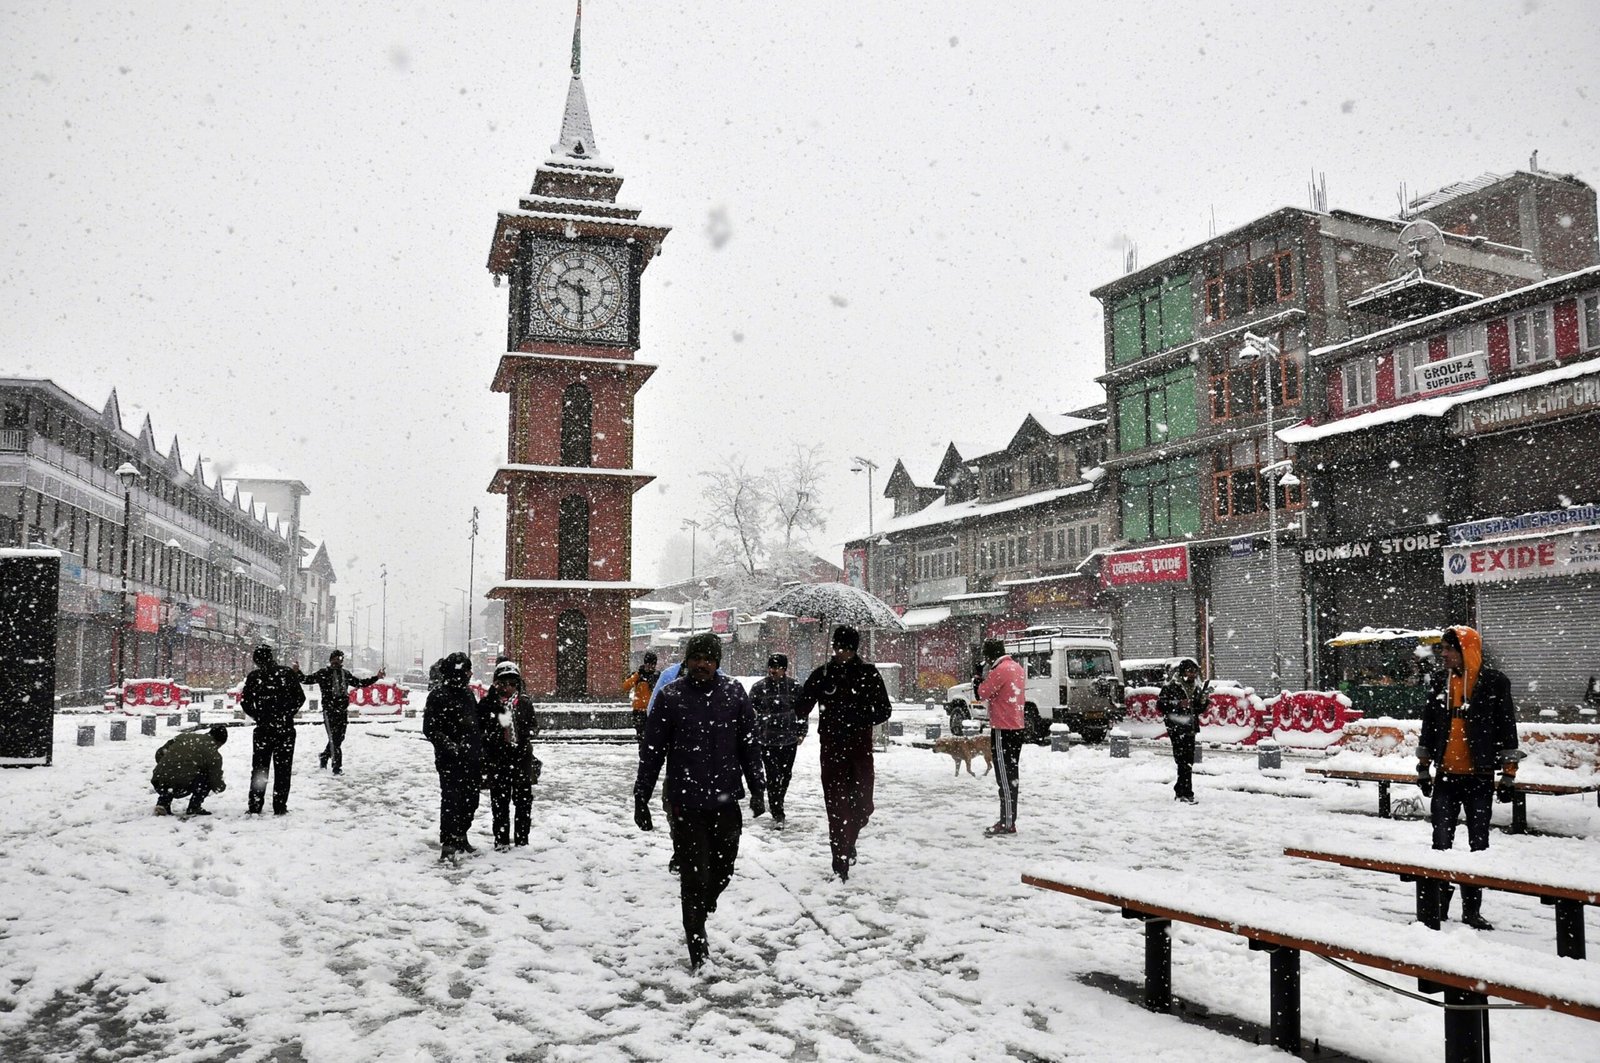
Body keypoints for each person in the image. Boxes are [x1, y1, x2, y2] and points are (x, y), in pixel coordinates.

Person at [633, 632, 765, 970]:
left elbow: (749, 744)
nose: (702, 664)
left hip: (725, 800)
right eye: (696, 658)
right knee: (693, 875)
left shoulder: (734, 693)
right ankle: (697, 944)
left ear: (717, 662)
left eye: (709, 659)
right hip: (686, 801)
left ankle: (702, 906)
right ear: (687, 661)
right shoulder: (671, 697)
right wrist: (642, 796)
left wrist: (758, 788)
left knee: (722, 870)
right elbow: (652, 752)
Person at [1416, 625, 1522, 931]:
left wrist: (1509, 775)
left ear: (1467, 650)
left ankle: (1472, 911)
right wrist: (1423, 767)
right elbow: (1429, 725)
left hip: (1480, 777)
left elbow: (1506, 726)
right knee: (1441, 844)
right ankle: (1439, 908)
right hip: (1446, 777)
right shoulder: (1439, 681)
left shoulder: (1493, 682)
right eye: (1443, 649)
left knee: (1479, 845)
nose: (1444, 654)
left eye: (1449, 648)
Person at [795, 625, 893, 881]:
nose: (842, 653)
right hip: (831, 750)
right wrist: (804, 695)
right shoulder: (823, 674)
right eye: (838, 648)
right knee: (837, 805)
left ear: (855, 649)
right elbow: (802, 707)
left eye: (847, 649)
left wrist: (859, 718)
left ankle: (849, 840)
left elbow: (884, 710)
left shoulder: (868, 674)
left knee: (863, 805)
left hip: (860, 749)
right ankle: (839, 858)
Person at [424, 651, 484, 863]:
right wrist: (450, 746)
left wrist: (478, 748)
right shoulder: (438, 696)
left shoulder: (468, 695)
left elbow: (475, 723)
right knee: (451, 798)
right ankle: (448, 841)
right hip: (449, 758)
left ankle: (461, 834)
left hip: (471, 756)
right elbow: (430, 729)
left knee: (471, 799)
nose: (467, 675)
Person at [478, 660, 540, 851]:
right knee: (500, 804)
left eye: (512, 683)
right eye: (503, 683)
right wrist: (495, 734)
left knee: (523, 803)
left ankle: (522, 840)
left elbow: (533, 726)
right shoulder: (488, 704)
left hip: (521, 760)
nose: (508, 688)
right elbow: (480, 730)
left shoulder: (524, 703)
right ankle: (501, 840)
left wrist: (525, 734)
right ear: (496, 683)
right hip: (498, 761)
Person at [241, 644, 306, 816]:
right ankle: (280, 805)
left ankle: (255, 804)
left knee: (260, 769)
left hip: (263, 730)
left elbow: (246, 702)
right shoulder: (287, 673)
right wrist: (286, 714)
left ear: (256, 660)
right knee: (283, 769)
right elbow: (300, 697)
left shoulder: (255, 677)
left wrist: (259, 716)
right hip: (285, 729)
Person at [300, 650, 384, 775]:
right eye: (335, 659)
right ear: (330, 660)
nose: (337, 661)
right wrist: (297, 672)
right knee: (334, 738)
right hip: (329, 710)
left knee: (339, 738)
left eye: (339, 659)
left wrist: (376, 678)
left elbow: (359, 683)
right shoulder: (324, 673)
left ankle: (324, 755)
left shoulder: (345, 674)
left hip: (342, 710)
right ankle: (336, 767)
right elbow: (307, 679)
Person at [749, 653, 806, 827]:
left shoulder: (794, 687)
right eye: (771, 667)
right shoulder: (759, 688)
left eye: (777, 667)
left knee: (785, 775)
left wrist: (801, 731)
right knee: (773, 775)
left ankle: (778, 800)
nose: (773, 671)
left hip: (789, 740)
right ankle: (777, 809)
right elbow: (750, 712)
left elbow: (803, 710)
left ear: (784, 669)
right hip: (767, 740)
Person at [977, 639, 1025, 835]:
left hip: (1002, 728)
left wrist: (978, 678)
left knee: (1003, 777)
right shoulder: (1017, 667)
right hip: (1017, 726)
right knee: (1012, 775)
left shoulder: (1000, 670)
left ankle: (1007, 822)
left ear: (990, 655)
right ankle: (1009, 818)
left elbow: (983, 693)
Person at [151, 724, 229, 816]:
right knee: (206, 776)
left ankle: (163, 803)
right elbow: (216, 782)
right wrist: (221, 787)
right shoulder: (213, 755)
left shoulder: (184, 736)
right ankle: (194, 807)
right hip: (180, 785)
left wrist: (169, 766)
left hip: (158, 780)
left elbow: (160, 753)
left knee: (171, 779)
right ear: (220, 742)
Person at [1158, 658, 1205, 804]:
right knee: (1182, 760)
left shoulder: (1196, 687)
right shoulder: (1172, 686)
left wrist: (1204, 701)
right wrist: (1178, 704)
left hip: (1190, 727)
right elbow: (1161, 704)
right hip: (1176, 727)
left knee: (1188, 760)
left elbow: (1198, 709)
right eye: (1189, 671)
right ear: (1183, 672)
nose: (1192, 674)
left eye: (1194, 671)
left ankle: (1185, 791)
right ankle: (1183, 792)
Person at [622, 652, 661, 747]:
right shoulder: (638, 676)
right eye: (648, 664)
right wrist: (637, 675)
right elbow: (625, 687)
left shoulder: (658, 676)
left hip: (653, 711)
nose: (650, 666)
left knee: (653, 738)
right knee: (642, 738)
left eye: (652, 664)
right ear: (644, 663)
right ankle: (643, 755)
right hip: (639, 711)